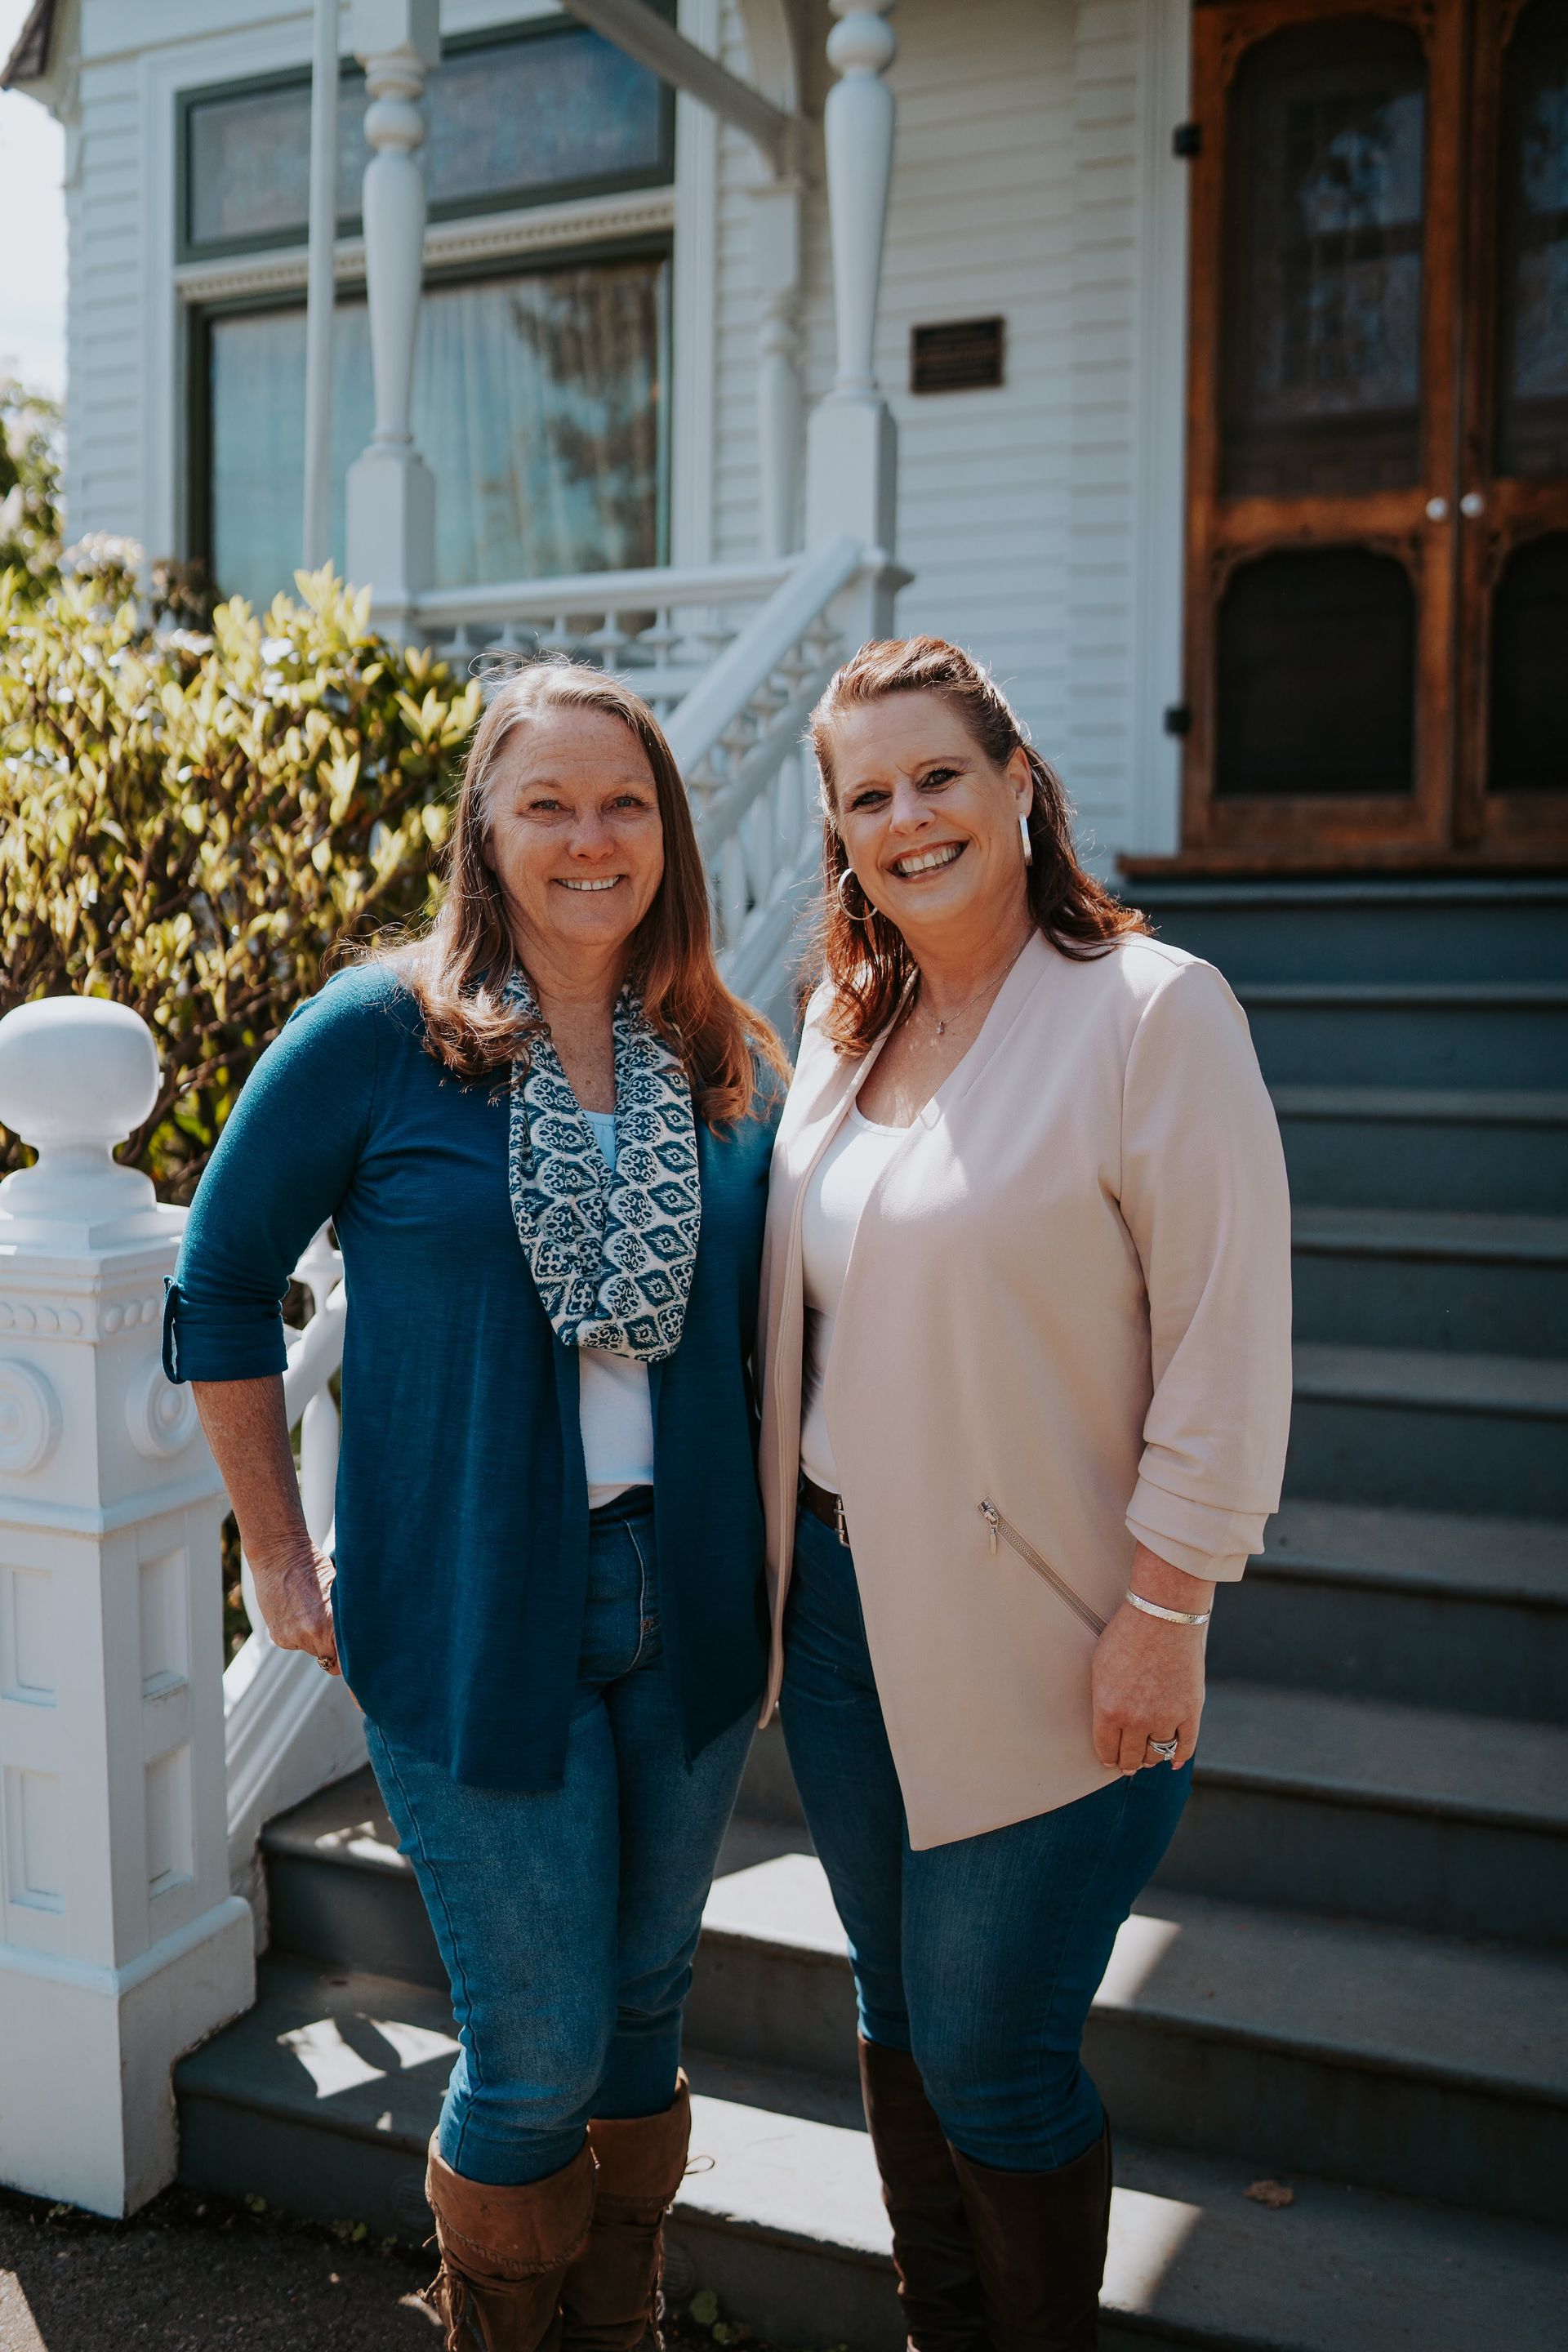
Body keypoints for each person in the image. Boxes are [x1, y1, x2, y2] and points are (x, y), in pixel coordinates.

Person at [165, 662, 788, 2352]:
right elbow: (216, 1291)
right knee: (529, 2047)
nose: (592, 840)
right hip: (464, 1604)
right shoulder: (382, 1036)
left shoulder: (721, 1051)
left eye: (626, 804)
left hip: (690, 1601)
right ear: (484, 832)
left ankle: (625, 2320)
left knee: (646, 2011)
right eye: (549, 805)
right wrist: (277, 1554)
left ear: (668, 827)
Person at [757, 637, 1292, 2350]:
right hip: (838, 1607)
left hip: (1058, 1619)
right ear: (839, 831)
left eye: (938, 776)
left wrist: (1170, 1606)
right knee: (900, 2005)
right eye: (868, 794)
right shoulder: (845, 1017)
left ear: (1015, 784)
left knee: (993, 2050)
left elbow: (1229, 1336)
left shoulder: (1153, 1013)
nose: (907, 816)